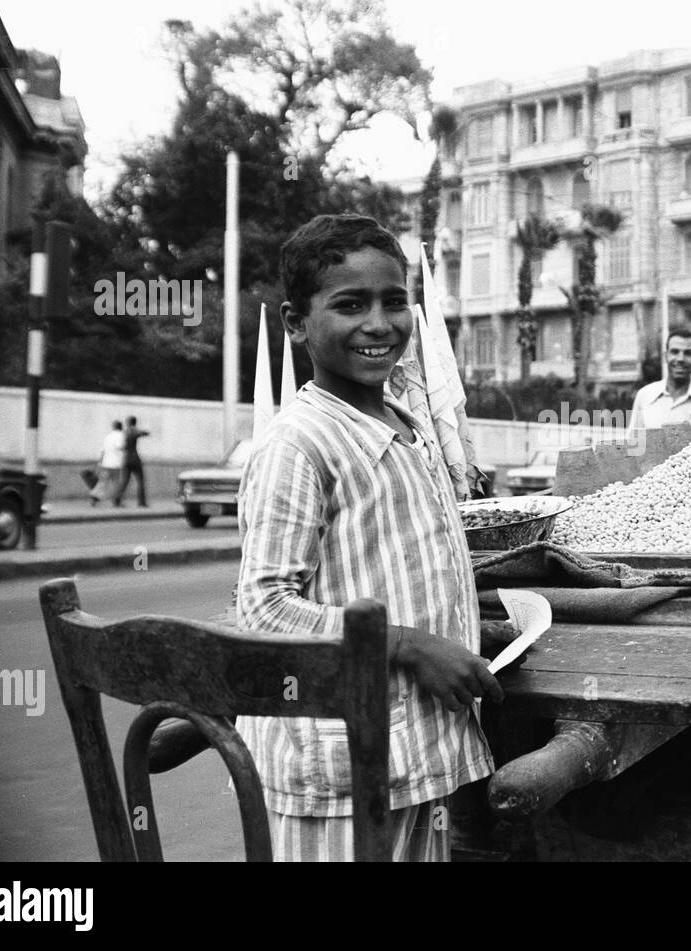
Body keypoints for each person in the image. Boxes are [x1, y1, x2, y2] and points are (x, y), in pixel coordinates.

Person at [235, 214, 505, 862]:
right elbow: (265, 608)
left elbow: (401, 563)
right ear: (297, 321)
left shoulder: (408, 425)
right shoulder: (298, 443)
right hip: (338, 771)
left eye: (394, 302)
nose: (379, 324)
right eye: (350, 304)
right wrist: (411, 646)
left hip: (414, 755)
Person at [629, 327, 691, 434]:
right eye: (675, 352)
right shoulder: (645, 395)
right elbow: (634, 444)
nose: (680, 359)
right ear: (666, 356)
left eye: (688, 353)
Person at [115, 416, 150, 507]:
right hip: (135, 459)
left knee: (124, 481)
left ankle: (117, 499)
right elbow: (144, 433)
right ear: (135, 422)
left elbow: (121, 446)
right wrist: (145, 432)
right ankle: (141, 502)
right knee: (140, 481)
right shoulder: (134, 431)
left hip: (126, 459)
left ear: (128, 423)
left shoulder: (124, 432)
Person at [90, 421, 126, 507]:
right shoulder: (121, 435)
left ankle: (95, 496)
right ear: (121, 427)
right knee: (116, 483)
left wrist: (100, 462)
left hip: (106, 463)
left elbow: (103, 450)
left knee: (103, 481)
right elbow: (119, 446)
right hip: (116, 464)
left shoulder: (108, 436)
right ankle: (117, 501)